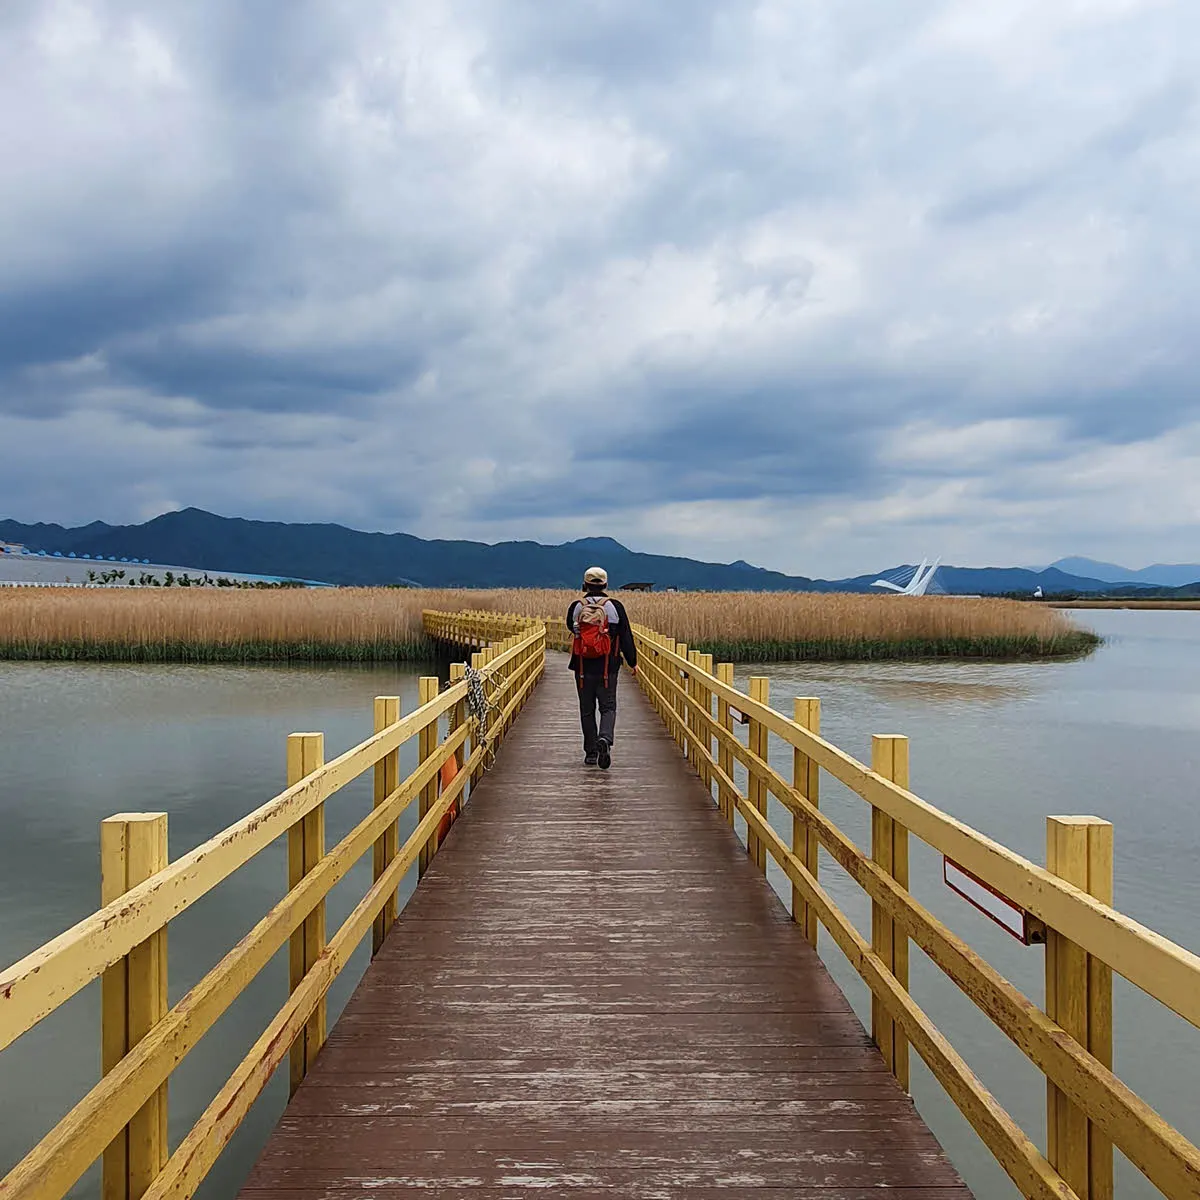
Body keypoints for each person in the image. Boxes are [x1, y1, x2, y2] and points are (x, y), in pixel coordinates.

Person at [566, 566, 637, 769]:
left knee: (587, 709)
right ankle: (604, 739)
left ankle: (590, 753)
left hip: (582, 667)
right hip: (608, 667)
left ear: (585, 584)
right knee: (608, 707)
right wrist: (633, 662)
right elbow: (625, 636)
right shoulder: (614, 607)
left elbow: (571, 627)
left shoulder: (576, 607)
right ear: (605, 584)